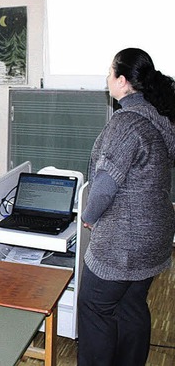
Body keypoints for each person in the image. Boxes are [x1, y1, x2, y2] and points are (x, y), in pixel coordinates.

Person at [78, 48, 175, 366]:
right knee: (132, 305)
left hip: (123, 245)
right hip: (155, 240)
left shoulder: (125, 125)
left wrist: (89, 217)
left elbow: (105, 184)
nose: (106, 78)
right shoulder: (159, 118)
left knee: (95, 307)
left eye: (109, 72)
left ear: (122, 81)